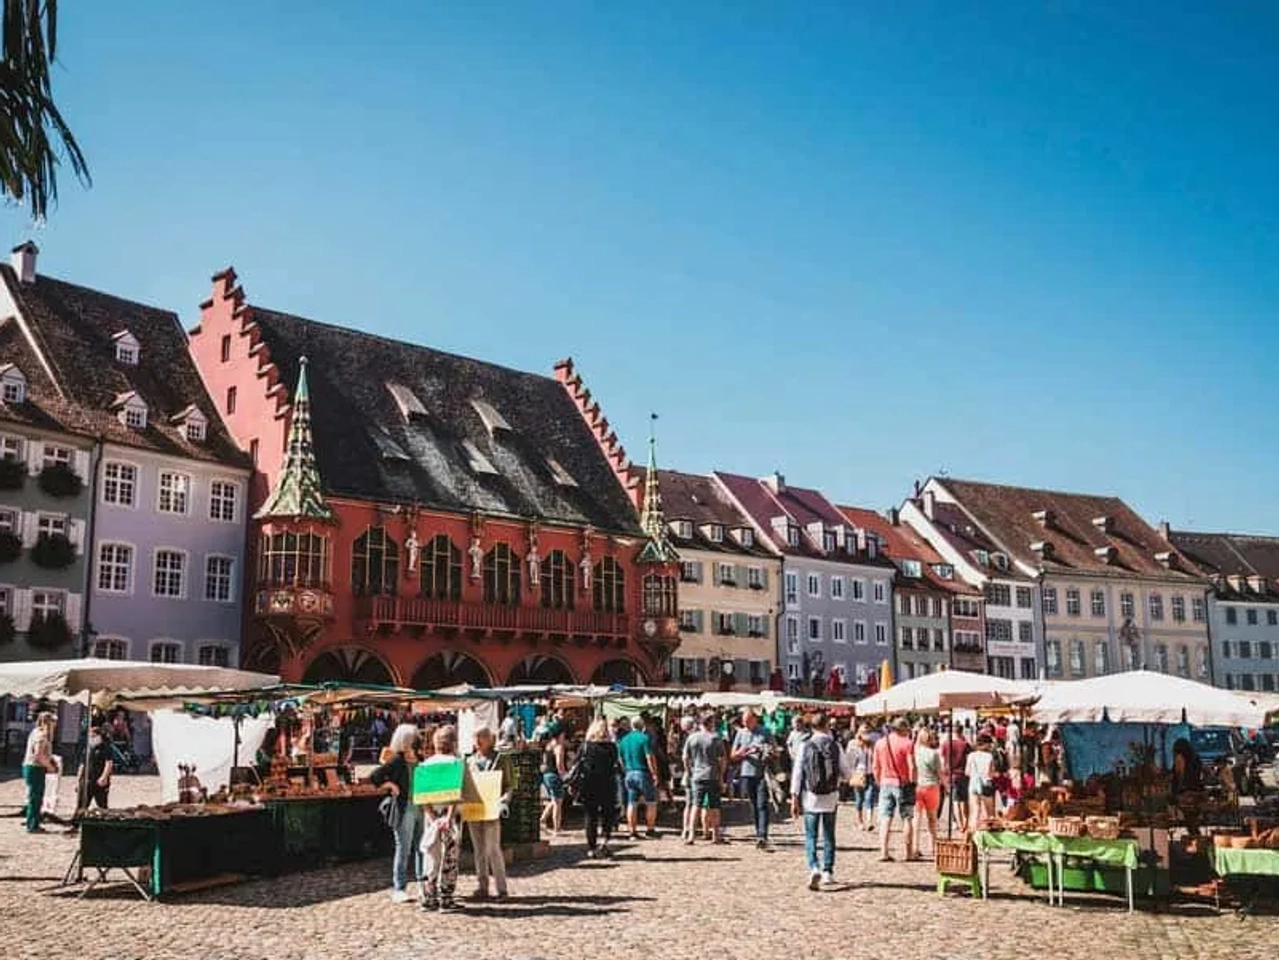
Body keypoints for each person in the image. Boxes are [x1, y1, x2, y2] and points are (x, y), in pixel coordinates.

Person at [790, 713, 851, 890]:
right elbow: (846, 772)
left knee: (811, 836)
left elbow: (798, 773)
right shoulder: (835, 746)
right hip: (831, 797)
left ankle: (814, 866)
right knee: (829, 835)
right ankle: (828, 871)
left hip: (811, 797)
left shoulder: (805, 746)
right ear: (826, 725)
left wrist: (794, 797)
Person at [369, 723, 423, 903]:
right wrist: (390, 785)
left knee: (422, 848)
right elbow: (375, 776)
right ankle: (399, 887)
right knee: (404, 849)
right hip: (404, 808)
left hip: (422, 807)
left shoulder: (419, 758)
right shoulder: (397, 761)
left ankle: (424, 885)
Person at [420, 724, 464, 912]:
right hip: (449, 815)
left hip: (432, 816)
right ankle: (446, 897)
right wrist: (448, 817)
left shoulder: (425, 765)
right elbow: (456, 793)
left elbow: (421, 796)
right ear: (453, 743)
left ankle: (428, 897)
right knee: (449, 857)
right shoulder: (455, 764)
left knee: (431, 855)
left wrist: (432, 817)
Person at [466, 725, 510, 900]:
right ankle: (482, 886)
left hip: (492, 809)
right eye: (475, 738)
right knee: (478, 850)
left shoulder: (500, 758)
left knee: (493, 849)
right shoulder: (470, 761)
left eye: (481, 738)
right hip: (474, 809)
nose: (477, 742)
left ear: (490, 739)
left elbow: (509, 785)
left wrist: (504, 801)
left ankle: (501, 889)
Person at [873, 716, 918, 862]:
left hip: (885, 782)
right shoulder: (908, 743)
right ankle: (908, 853)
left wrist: (879, 781)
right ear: (904, 729)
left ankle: (883, 851)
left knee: (885, 818)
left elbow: (875, 766)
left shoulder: (880, 743)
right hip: (903, 784)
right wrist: (913, 782)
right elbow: (911, 766)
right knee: (907, 817)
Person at [577, 718, 623, 857]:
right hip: (607, 784)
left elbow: (577, 763)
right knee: (608, 815)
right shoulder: (612, 747)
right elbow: (616, 765)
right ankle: (604, 843)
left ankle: (591, 847)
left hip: (589, 785)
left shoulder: (585, 746)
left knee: (590, 817)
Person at [731, 709, 775, 849]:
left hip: (762, 773)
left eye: (748, 721)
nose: (746, 724)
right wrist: (743, 752)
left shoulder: (765, 732)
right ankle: (758, 833)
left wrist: (764, 751)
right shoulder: (741, 733)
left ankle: (763, 835)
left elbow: (776, 750)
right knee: (753, 804)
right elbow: (732, 755)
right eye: (744, 722)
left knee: (762, 804)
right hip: (746, 773)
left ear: (755, 719)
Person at [683, 712, 727, 844]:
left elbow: (685, 757)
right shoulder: (715, 738)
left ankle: (691, 835)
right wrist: (721, 775)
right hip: (712, 775)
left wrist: (689, 771)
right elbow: (722, 759)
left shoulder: (692, 738)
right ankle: (716, 835)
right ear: (711, 723)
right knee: (714, 806)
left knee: (695, 805)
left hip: (697, 775)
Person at [619, 715, 660, 839]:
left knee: (632, 803)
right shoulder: (644, 738)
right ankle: (650, 829)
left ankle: (632, 831)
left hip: (629, 772)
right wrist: (654, 773)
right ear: (642, 726)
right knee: (651, 802)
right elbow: (649, 757)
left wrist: (625, 769)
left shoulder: (624, 740)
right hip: (643, 772)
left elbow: (620, 758)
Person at [22, 712, 58, 832]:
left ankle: (33, 821)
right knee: (35, 797)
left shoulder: (35, 731)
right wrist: (49, 766)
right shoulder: (42, 735)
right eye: (53, 722)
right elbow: (38, 754)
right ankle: (32, 825)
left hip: (32, 767)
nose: (55, 725)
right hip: (35, 768)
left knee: (35, 796)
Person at [913, 727, 942, 856]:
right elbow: (939, 773)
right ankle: (933, 846)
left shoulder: (915, 752)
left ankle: (915, 846)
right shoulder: (934, 754)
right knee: (932, 818)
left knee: (916, 819)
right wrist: (946, 784)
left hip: (918, 786)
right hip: (932, 786)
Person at [539, 724, 568, 837]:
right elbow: (559, 765)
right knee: (558, 803)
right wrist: (565, 776)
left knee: (553, 800)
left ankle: (542, 820)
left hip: (547, 775)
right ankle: (557, 828)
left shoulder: (548, 745)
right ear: (560, 734)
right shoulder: (559, 747)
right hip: (555, 776)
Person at [845, 725, 876, 831]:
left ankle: (869, 821)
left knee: (870, 798)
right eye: (864, 732)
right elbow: (849, 760)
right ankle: (859, 821)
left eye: (868, 732)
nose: (866, 734)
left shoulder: (872, 744)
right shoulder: (853, 744)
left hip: (870, 773)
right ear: (859, 732)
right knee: (859, 799)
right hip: (858, 773)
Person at [941, 725, 971, 833]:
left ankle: (959, 824)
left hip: (951, 775)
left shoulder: (945, 744)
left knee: (955, 801)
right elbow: (969, 760)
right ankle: (966, 822)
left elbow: (943, 761)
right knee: (964, 801)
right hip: (963, 775)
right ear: (962, 732)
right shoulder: (965, 745)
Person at [966, 734, 997, 827]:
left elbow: (967, 772)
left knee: (975, 811)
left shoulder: (971, 755)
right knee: (990, 813)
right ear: (985, 744)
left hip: (973, 784)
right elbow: (990, 773)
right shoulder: (989, 756)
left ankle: (972, 832)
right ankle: (989, 833)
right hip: (986, 784)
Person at [86, 724, 114, 809]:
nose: (91, 738)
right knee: (83, 804)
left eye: (93, 736)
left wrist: (104, 777)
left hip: (100, 779)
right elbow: (83, 764)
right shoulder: (89, 748)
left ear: (99, 736)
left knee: (102, 805)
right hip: (88, 779)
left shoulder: (106, 747)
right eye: (90, 736)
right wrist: (79, 780)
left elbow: (109, 763)